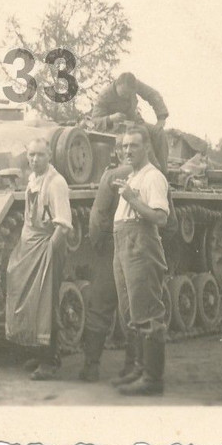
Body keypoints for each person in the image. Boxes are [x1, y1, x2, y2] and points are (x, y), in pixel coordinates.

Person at [4, 138, 74, 381]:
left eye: (40, 155)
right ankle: (38, 350)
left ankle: (50, 360)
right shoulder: (33, 180)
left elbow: (63, 225)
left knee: (46, 302)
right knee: (30, 299)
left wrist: (48, 252)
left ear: (50, 156)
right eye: (31, 155)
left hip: (47, 246)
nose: (35, 160)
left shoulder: (56, 183)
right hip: (30, 246)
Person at [111, 125, 171, 396]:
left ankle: (152, 379)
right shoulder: (134, 176)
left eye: (133, 145)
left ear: (146, 146)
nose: (127, 150)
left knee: (147, 312)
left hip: (141, 245)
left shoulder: (153, 177)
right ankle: (138, 368)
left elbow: (160, 217)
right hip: (124, 243)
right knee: (131, 312)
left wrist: (132, 199)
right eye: (124, 146)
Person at [77, 133, 133, 383]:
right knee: (137, 309)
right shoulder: (157, 175)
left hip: (112, 247)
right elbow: (170, 221)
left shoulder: (112, 175)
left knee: (100, 306)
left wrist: (99, 244)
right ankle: (133, 367)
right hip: (139, 248)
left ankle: (91, 366)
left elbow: (98, 216)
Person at [90, 72, 170, 167]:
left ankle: (164, 172)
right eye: (124, 93)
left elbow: (152, 94)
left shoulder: (135, 84)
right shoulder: (105, 95)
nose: (127, 96)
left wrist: (161, 117)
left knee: (158, 132)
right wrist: (111, 118)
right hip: (116, 129)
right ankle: (152, 168)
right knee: (142, 134)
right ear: (117, 85)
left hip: (135, 122)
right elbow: (95, 120)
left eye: (130, 94)